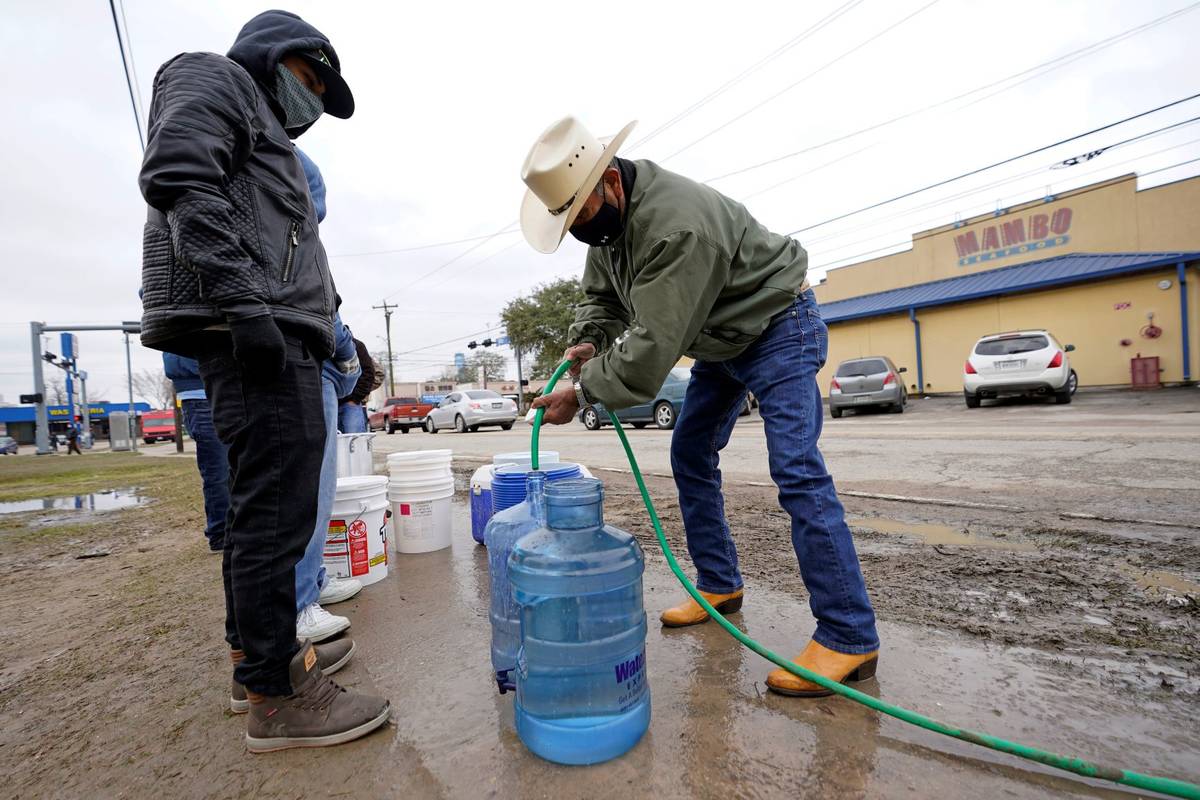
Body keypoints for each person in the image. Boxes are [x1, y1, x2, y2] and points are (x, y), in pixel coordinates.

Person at [522, 117, 879, 697]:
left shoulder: (675, 227)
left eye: (580, 215)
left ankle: (848, 634)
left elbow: (647, 356)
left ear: (610, 181)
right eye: (569, 223)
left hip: (780, 327)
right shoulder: (609, 232)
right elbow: (602, 297)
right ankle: (720, 585)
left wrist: (583, 392)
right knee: (690, 452)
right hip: (722, 341)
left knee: (795, 470)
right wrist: (588, 337)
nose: (580, 231)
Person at [138, 10, 389, 751]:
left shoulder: (264, 134)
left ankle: (259, 658)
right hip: (251, 334)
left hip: (277, 331)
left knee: (266, 514)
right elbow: (179, 177)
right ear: (275, 56)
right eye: (309, 78)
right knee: (274, 518)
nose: (312, 98)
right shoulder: (212, 76)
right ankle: (279, 699)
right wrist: (246, 307)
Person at [164, 353, 228, 552]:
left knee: (236, 467)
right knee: (219, 470)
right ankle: (221, 533)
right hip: (200, 391)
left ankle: (233, 529)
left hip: (228, 384)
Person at [337, 338, 375, 433]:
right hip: (327, 404)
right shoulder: (322, 344)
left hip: (350, 404)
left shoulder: (356, 345)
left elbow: (368, 373)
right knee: (332, 445)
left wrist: (355, 399)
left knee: (354, 442)